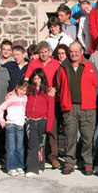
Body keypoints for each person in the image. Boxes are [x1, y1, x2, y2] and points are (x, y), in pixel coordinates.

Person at [58, 42, 98, 175]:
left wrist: (90, 98)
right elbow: (58, 85)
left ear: (81, 51)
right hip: (69, 107)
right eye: (71, 51)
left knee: (87, 138)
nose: (74, 54)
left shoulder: (89, 65)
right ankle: (69, 163)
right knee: (70, 137)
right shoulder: (63, 67)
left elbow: (97, 85)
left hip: (87, 108)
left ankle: (87, 163)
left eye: (76, 51)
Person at [24, 41, 60, 169]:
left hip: (52, 100)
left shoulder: (56, 63)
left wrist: (55, 89)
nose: (43, 54)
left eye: (46, 52)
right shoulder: (34, 63)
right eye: (41, 52)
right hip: (37, 99)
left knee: (52, 129)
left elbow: (60, 80)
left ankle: (53, 156)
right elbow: (27, 79)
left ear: (49, 52)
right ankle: (38, 157)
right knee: (38, 132)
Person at [24, 68, 55, 177]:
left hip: (42, 120)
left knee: (41, 145)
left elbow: (51, 109)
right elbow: (19, 91)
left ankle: (40, 165)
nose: (37, 81)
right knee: (32, 145)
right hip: (31, 120)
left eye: (39, 78)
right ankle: (32, 168)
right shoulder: (29, 90)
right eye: (35, 79)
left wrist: (49, 126)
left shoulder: (47, 91)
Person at [0, 80, 28, 176]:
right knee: (11, 147)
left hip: (20, 125)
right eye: (21, 89)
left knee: (20, 147)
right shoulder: (10, 98)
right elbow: (1, 108)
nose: (22, 92)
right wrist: (1, 120)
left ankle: (19, 166)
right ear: (17, 88)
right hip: (10, 124)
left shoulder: (25, 98)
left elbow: (25, 109)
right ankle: (11, 167)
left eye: (24, 90)